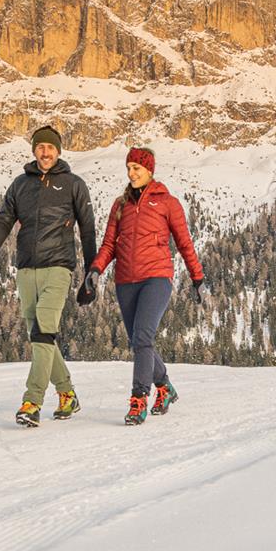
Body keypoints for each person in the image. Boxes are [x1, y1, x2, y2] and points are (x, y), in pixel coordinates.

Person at [0, 125, 99, 427]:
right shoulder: (20, 184)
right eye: (40, 147)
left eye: (50, 148)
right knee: (39, 336)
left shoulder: (74, 184)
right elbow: (4, 218)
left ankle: (32, 401)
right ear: (34, 150)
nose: (45, 152)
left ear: (59, 151)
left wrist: (91, 273)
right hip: (26, 269)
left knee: (44, 330)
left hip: (59, 267)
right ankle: (67, 393)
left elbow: (87, 230)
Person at [87, 146, 205, 426]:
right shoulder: (120, 205)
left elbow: (185, 244)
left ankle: (139, 398)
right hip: (125, 281)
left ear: (149, 170)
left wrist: (197, 278)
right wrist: (95, 269)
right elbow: (109, 245)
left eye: (136, 168)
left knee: (143, 338)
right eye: (128, 168)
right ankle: (164, 386)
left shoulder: (167, 202)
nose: (131, 173)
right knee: (139, 342)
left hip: (156, 278)